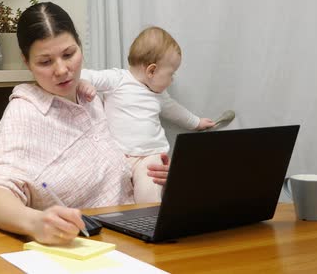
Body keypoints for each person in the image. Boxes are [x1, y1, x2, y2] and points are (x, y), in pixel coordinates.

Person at [0, 2, 170, 245]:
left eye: (69, 54)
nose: (62, 70)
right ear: (26, 62)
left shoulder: (92, 98)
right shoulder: (25, 111)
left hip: (133, 235)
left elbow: (117, 161)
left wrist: (149, 172)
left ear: (80, 46)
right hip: (81, 248)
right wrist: (35, 222)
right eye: (45, 62)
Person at [78, 26, 215, 203]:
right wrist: (84, 83)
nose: (172, 80)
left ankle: (148, 219)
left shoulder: (159, 95)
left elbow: (175, 111)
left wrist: (196, 122)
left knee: (149, 194)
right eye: (171, 74)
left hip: (150, 156)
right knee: (111, 193)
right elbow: (85, 74)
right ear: (151, 71)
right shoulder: (118, 79)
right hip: (119, 156)